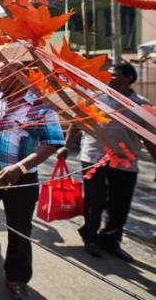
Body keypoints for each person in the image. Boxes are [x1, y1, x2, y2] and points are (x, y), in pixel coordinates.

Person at [0, 62, 65, 300]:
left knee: (20, 230)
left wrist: (21, 167)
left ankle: (17, 278)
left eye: (1, 75)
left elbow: (52, 142)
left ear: (18, 77)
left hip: (21, 179)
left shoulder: (41, 104)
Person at [65, 62, 156, 262]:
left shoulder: (142, 106)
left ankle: (111, 240)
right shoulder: (95, 98)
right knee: (94, 200)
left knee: (120, 204)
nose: (108, 78)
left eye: (113, 75)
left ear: (128, 78)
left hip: (126, 161)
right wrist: (66, 145)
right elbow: (78, 121)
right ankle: (90, 237)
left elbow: (149, 138)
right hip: (94, 156)